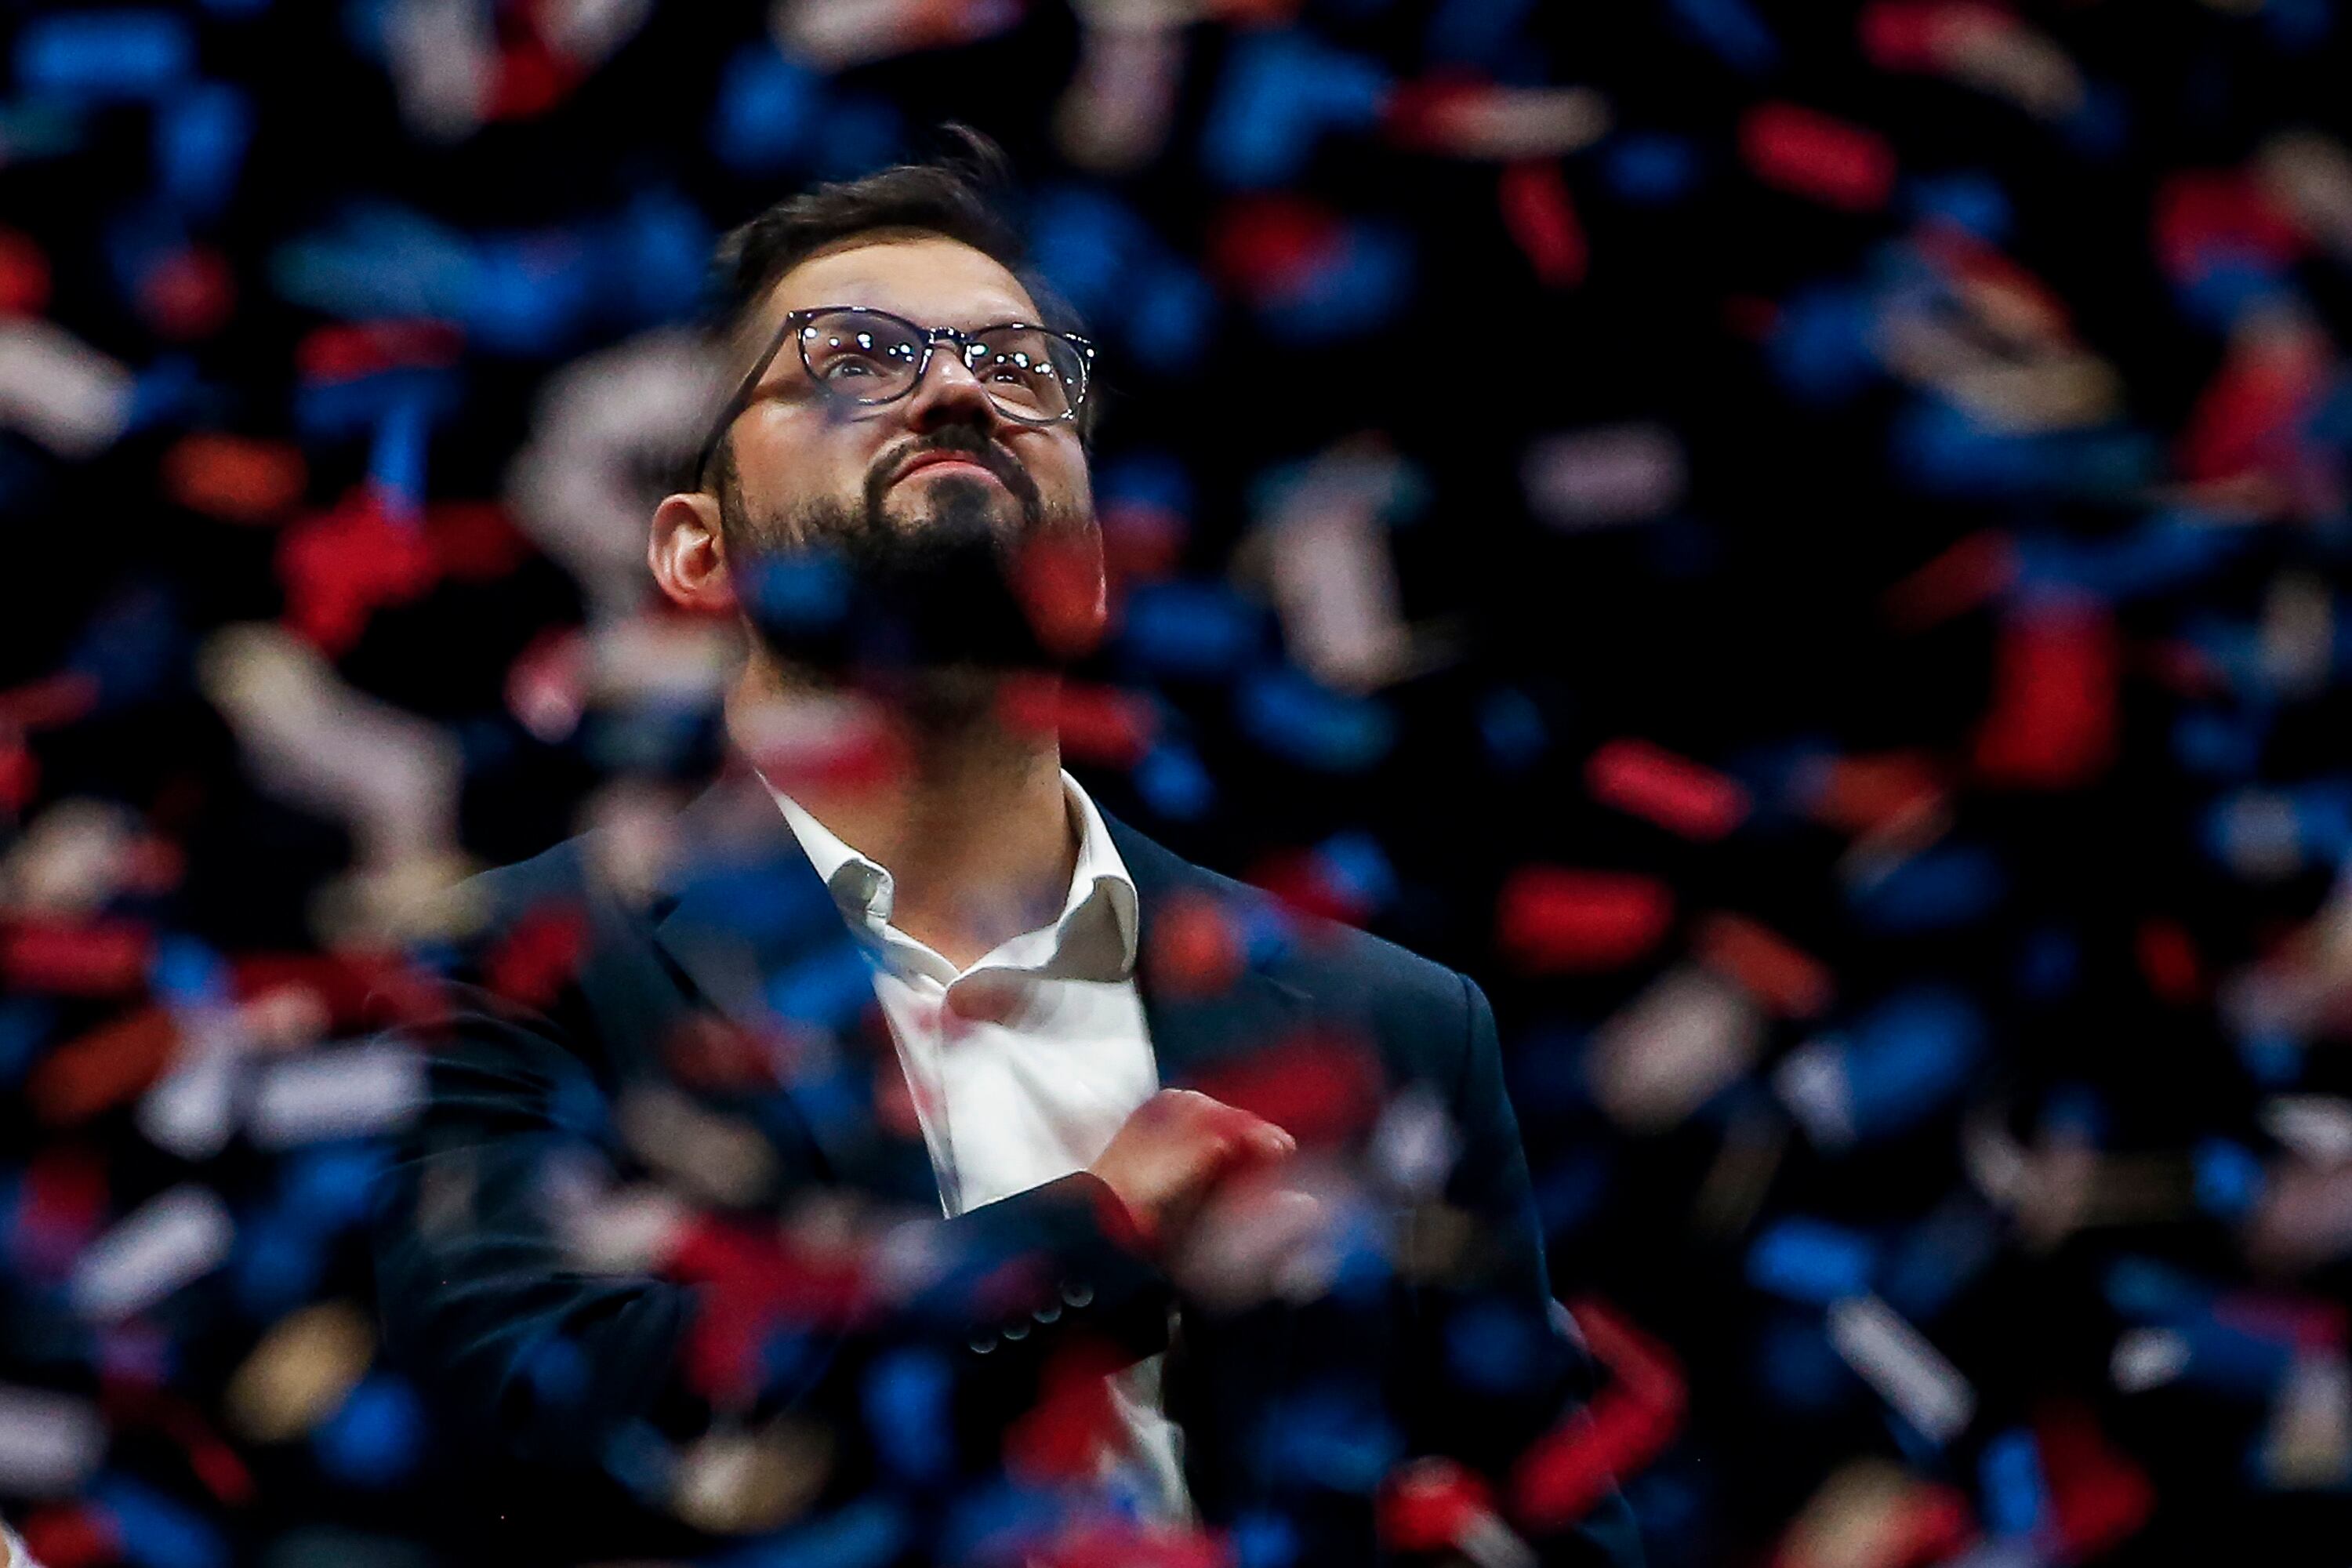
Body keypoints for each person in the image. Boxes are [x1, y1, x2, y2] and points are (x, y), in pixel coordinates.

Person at [372, 130, 1642, 1567]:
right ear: (694, 552)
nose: (963, 387)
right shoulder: (518, 971)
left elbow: (1547, 1516)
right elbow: (536, 1418)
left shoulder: (1393, 1021)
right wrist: (1094, 1231)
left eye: (1023, 370)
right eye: (854, 356)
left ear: (1094, 562)